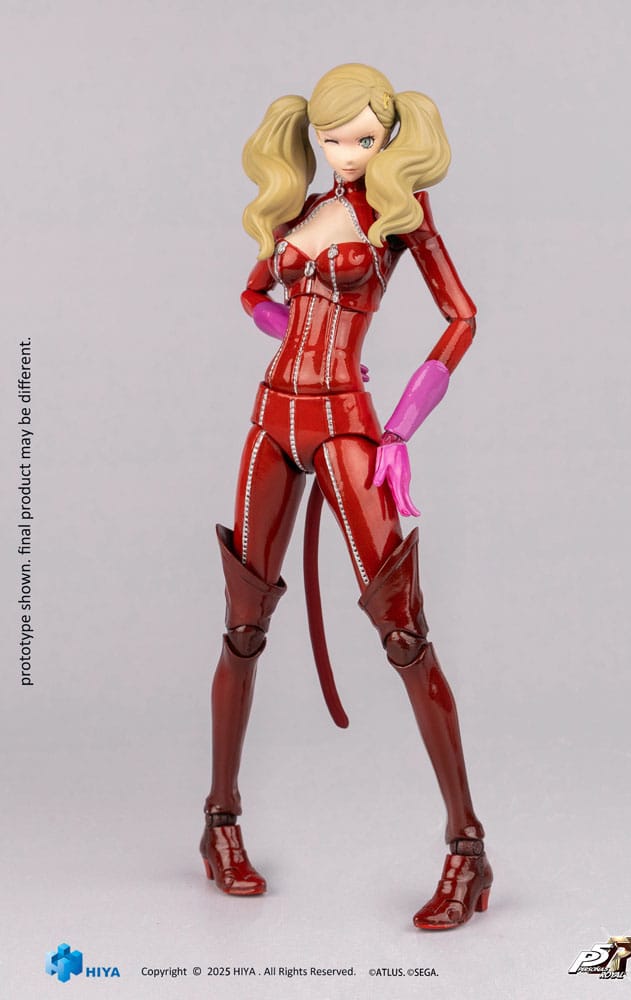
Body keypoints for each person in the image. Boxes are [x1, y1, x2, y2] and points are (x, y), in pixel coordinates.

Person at [200, 63, 492, 930]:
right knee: (242, 626)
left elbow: (462, 316)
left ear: (389, 135)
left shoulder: (399, 213)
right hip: (272, 418)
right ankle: (219, 824)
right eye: (334, 137)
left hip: (346, 426)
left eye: (363, 137)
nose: (348, 152)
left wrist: (400, 425)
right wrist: (286, 325)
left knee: (403, 632)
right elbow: (254, 293)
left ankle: (467, 849)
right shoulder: (294, 210)